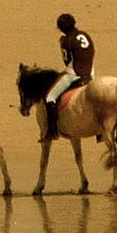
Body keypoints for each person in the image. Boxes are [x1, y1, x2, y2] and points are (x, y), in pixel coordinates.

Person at [44, 13, 95, 141]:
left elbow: (67, 60)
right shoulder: (85, 35)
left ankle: (52, 131)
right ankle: (99, 133)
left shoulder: (66, 40)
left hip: (75, 74)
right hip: (90, 72)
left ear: (61, 28)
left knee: (50, 98)